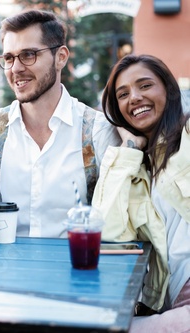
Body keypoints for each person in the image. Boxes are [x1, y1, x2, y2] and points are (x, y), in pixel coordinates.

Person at [0, 9, 120, 241]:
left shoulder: (96, 129)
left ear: (61, 57)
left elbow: (114, 220)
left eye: (28, 54)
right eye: (9, 58)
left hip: (76, 269)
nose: (15, 68)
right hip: (7, 269)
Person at [92, 54, 190, 332]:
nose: (134, 97)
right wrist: (128, 150)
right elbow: (108, 233)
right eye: (123, 94)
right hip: (174, 297)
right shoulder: (134, 169)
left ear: (169, 91)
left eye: (145, 86)